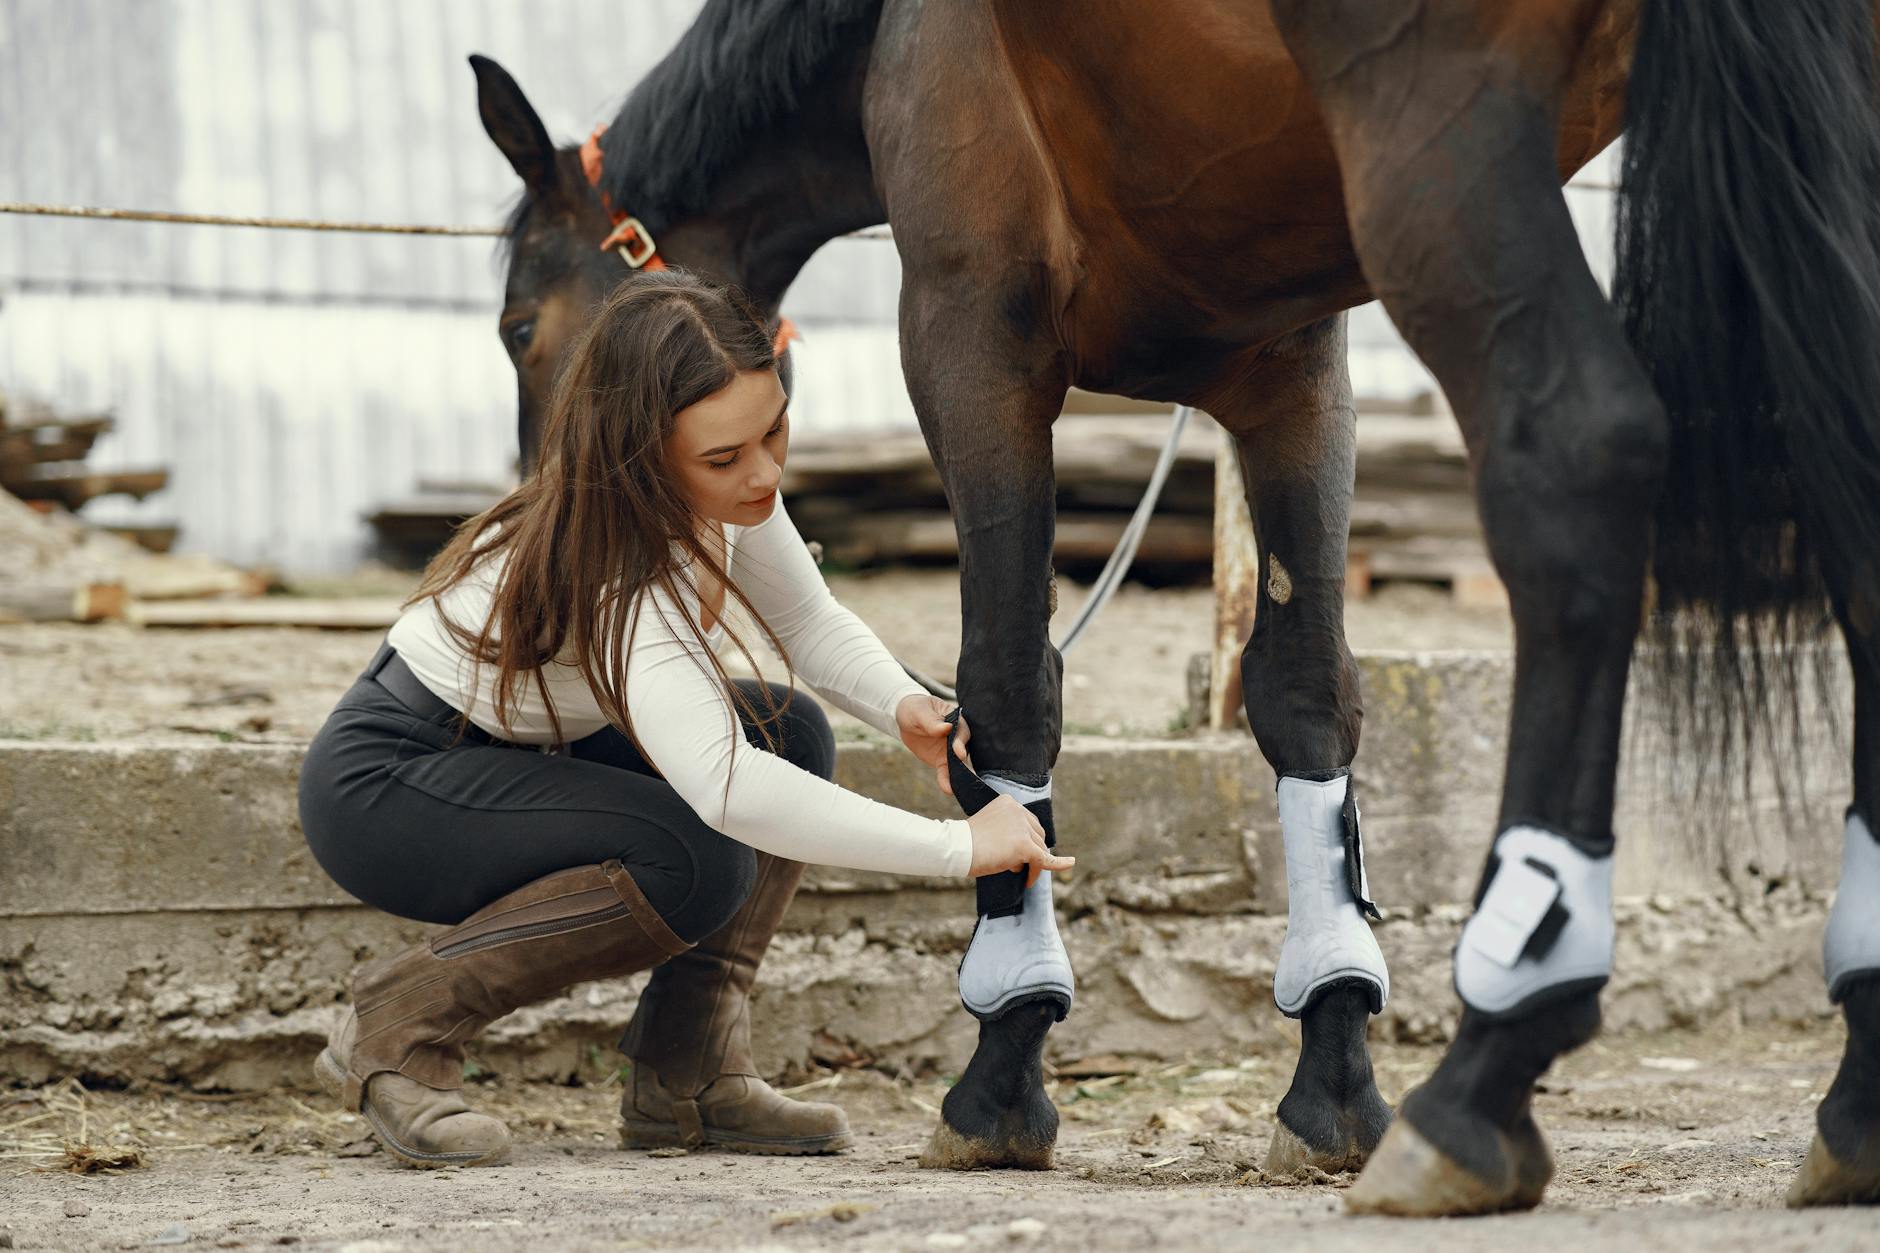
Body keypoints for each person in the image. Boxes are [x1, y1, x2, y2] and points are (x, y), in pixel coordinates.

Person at [297, 270, 1071, 1169]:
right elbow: (726, 785)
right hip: (391, 786)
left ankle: (687, 1073)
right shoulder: (616, 560)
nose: (764, 472)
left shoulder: (722, 491)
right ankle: (399, 1027)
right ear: (640, 453)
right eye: (724, 457)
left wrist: (900, 704)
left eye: (774, 430)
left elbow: (808, 621)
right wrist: (958, 847)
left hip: (526, 748)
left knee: (791, 733)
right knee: (696, 855)